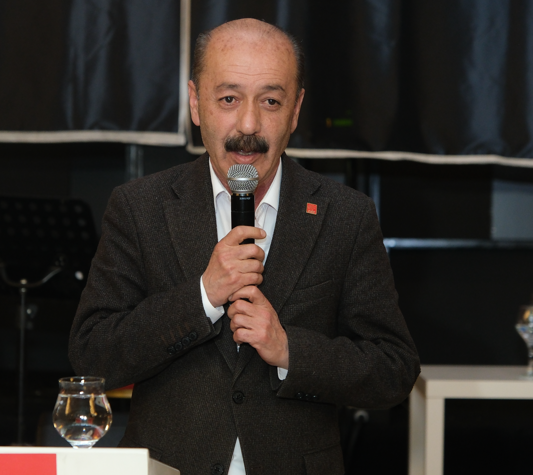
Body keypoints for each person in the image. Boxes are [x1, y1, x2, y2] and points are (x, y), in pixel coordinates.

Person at [69, 18, 419, 475]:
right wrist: (203, 296)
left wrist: (289, 350)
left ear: (296, 110)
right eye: (229, 99)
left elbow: (393, 369)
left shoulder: (345, 216)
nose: (249, 125)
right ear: (196, 103)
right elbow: (92, 354)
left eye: (270, 101)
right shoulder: (140, 207)